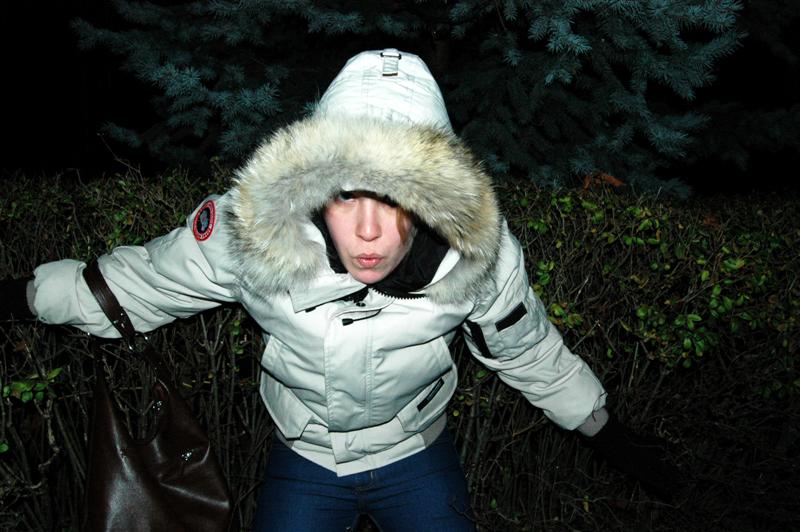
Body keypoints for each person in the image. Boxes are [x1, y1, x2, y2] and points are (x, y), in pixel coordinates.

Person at [1, 49, 678, 531]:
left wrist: (607, 432)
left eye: (396, 197)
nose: (369, 230)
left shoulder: (478, 256)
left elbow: (527, 350)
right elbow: (135, 285)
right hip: (305, 455)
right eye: (348, 194)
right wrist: (22, 296)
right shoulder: (251, 236)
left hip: (417, 450)